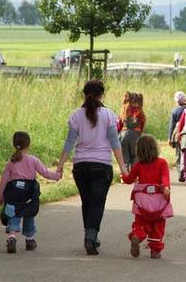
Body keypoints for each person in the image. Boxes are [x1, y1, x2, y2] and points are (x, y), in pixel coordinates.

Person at [57, 80, 127, 256]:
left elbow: (69, 142)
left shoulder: (76, 116)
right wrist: (123, 167)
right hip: (101, 165)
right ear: (101, 95)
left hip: (80, 166)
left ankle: (91, 236)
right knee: (97, 202)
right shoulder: (109, 115)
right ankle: (91, 236)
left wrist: (60, 164)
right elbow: (114, 142)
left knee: (87, 202)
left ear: (84, 94)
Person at [0, 131, 62, 253]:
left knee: (13, 212)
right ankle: (29, 238)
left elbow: (4, 180)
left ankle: (12, 236)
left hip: (13, 191)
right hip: (28, 192)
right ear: (29, 145)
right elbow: (45, 173)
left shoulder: (11, 162)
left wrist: (0, 196)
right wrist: (57, 175)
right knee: (29, 213)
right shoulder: (33, 160)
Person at [121, 135, 172, 259]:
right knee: (158, 225)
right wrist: (165, 187)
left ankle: (137, 235)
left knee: (140, 222)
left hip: (142, 201)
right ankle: (155, 250)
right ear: (155, 148)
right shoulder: (162, 163)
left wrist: (123, 173)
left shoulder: (138, 165)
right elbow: (165, 177)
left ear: (138, 151)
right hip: (158, 200)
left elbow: (129, 180)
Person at [118, 92, 146, 173]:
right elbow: (143, 123)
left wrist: (118, 133)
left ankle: (124, 176)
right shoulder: (140, 111)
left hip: (123, 134)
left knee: (124, 156)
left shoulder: (124, 109)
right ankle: (134, 175)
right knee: (135, 156)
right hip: (136, 135)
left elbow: (119, 123)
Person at [167, 91, 186, 182]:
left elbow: (171, 125)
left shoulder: (175, 110)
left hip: (178, 134)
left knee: (179, 153)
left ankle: (180, 173)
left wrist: (170, 137)